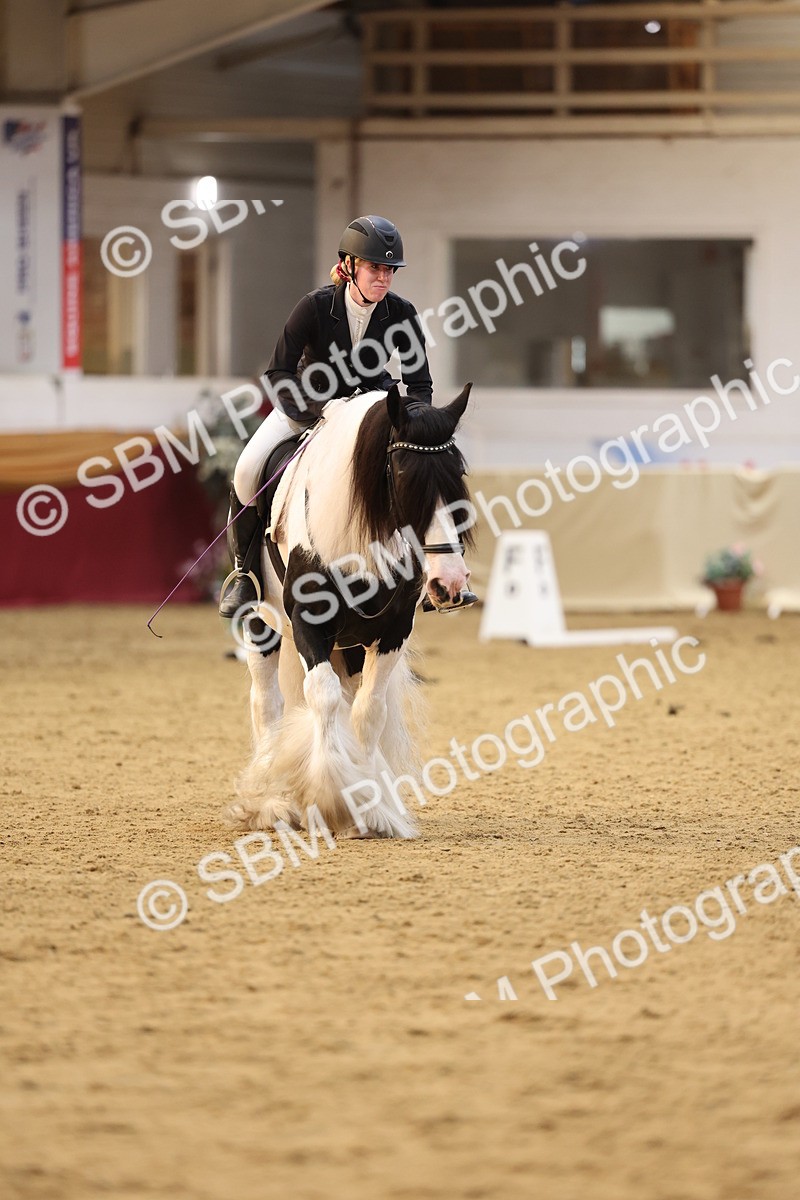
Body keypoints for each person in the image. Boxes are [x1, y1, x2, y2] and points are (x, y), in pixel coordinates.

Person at [219, 214, 435, 618]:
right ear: (349, 265)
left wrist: (414, 422)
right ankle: (245, 575)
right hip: (309, 407)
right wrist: (318, 409)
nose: (384, 278)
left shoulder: (402, 314)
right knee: (247, 469)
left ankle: (429, 572)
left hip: (370, 413)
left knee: (421, 468)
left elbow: (420, 383)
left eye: (390, 270)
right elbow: (278, 372)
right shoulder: (315, 307)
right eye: (375, 268)